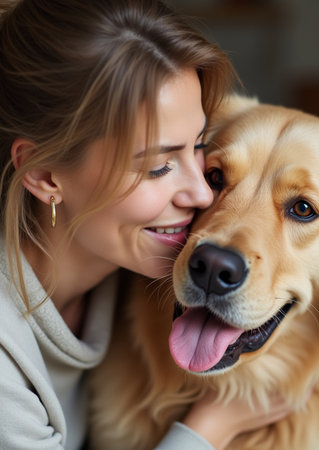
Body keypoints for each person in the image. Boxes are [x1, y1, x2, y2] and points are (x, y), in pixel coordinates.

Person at [0, 0, 291, 449]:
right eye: (158, 166)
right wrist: (209, 428)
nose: (202, 194)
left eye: (198, 148)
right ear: (44, 175)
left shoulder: (131, 265)